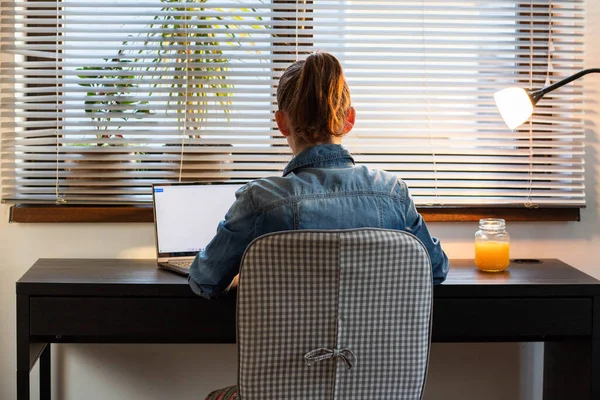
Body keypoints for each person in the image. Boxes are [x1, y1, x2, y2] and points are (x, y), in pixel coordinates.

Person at [188, 52, 449, 301]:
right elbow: (436, 269)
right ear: (349, 119)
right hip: (377, 348)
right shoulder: (393, 193)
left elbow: (204, 280)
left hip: (286, 348)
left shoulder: (259, 200)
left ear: (281, 122)